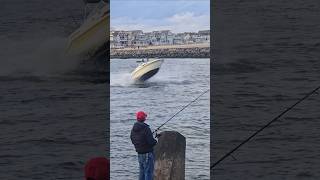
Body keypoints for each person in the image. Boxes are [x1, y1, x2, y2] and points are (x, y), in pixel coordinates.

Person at [130, 111, 157, 180]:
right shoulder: (146, 128)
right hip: (147, 153)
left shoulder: (133, 129)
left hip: (139, 153)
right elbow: (151, 142)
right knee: (148, 172)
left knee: (142, 171)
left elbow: (132, 139)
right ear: (144, 118)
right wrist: (155, 141)